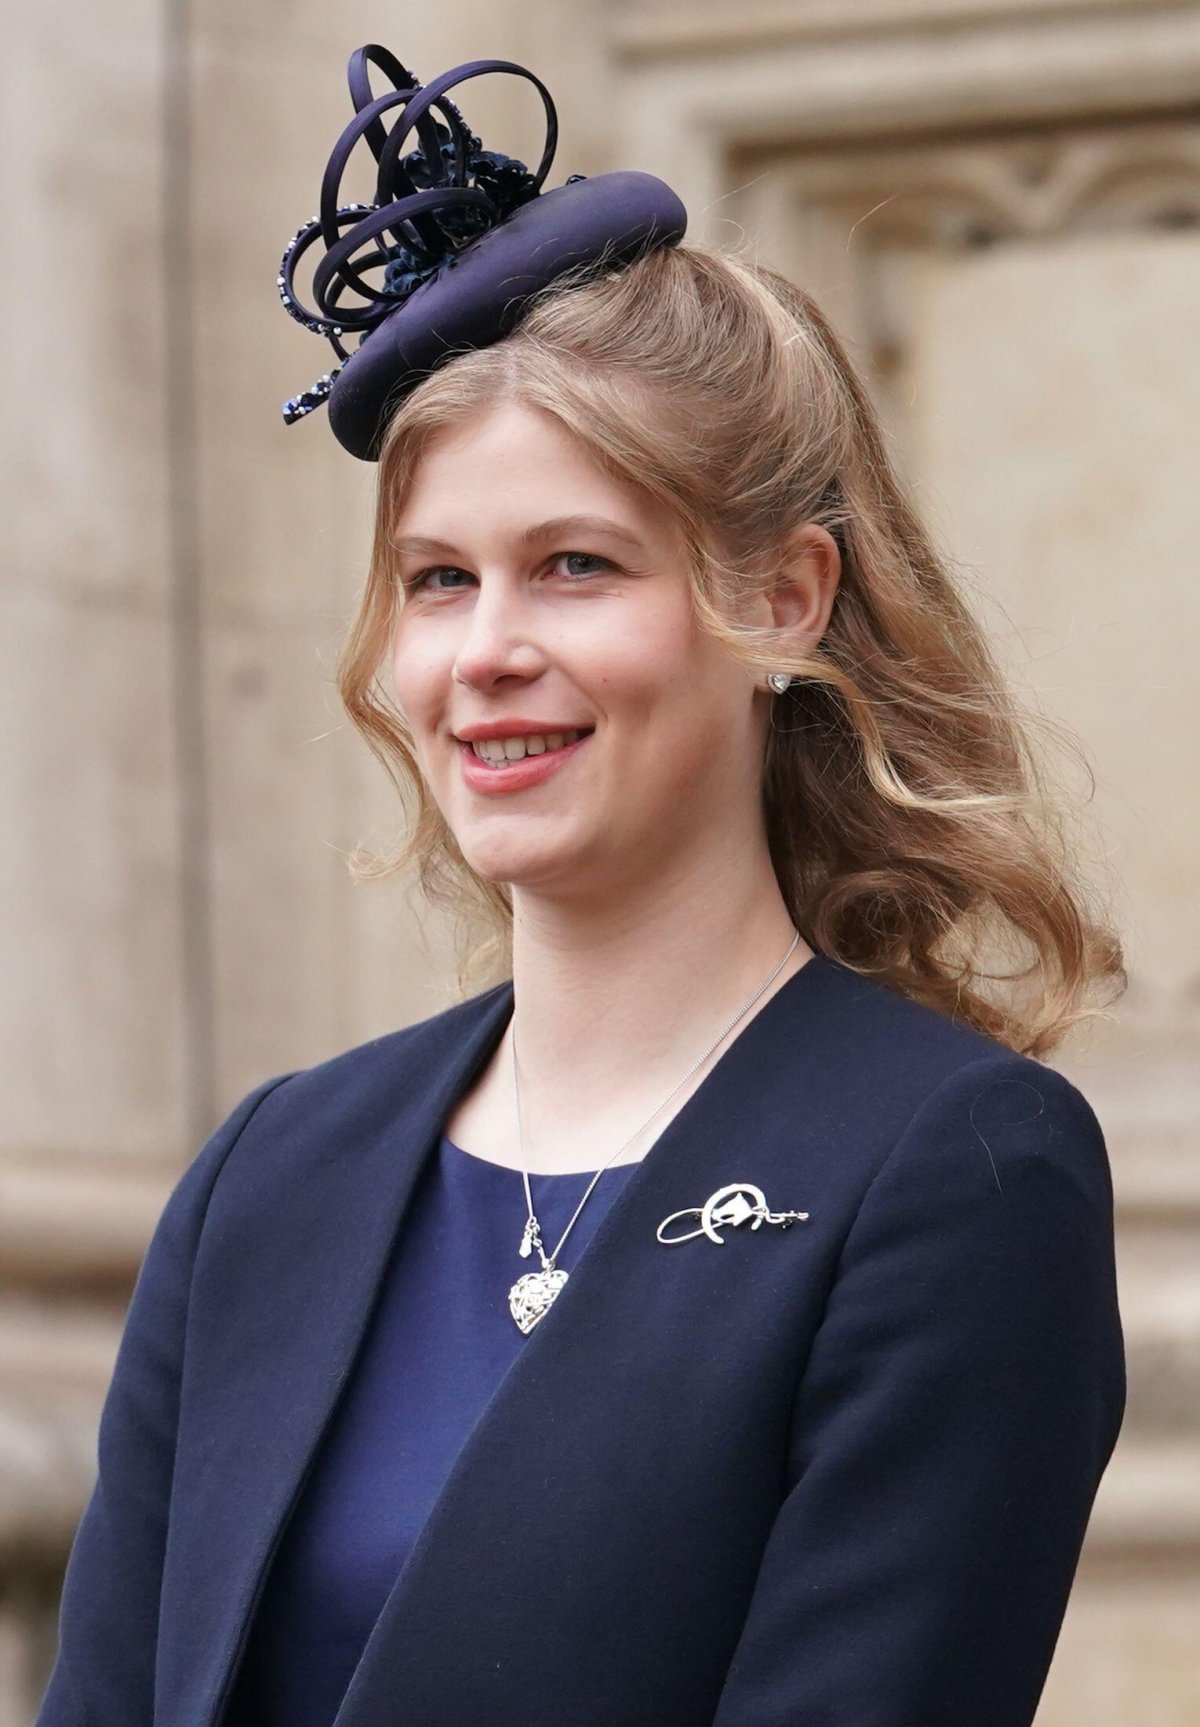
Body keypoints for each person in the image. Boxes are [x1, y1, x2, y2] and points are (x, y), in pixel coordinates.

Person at [36, 44, 1126, 1727]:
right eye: (439, 580)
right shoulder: (271, 1172)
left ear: (782, 597)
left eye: (574, 566)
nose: (488, 654)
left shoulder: (955, 1173)